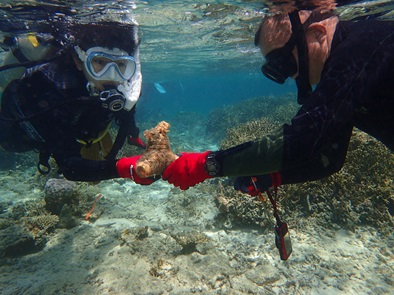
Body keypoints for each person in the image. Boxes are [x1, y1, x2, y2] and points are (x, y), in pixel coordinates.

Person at [160, 9, 394, 195]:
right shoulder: (348, 68)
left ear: (317, 33)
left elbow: (304, 140)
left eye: (281, 63)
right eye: (274, 70)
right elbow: (327, 158)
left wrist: (206, 164)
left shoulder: (362, 47)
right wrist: (271, 176)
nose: (288, 77)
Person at [0, 20, 154, 184]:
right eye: (100, 62)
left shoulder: (125, 86)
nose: (111, 75)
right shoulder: (50, 92)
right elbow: (71, 167)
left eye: (121, 64)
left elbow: (128, 110)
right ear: (78, 60)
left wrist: (133, 134)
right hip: (15, 137)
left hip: (82, 128)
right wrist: (128, 169)